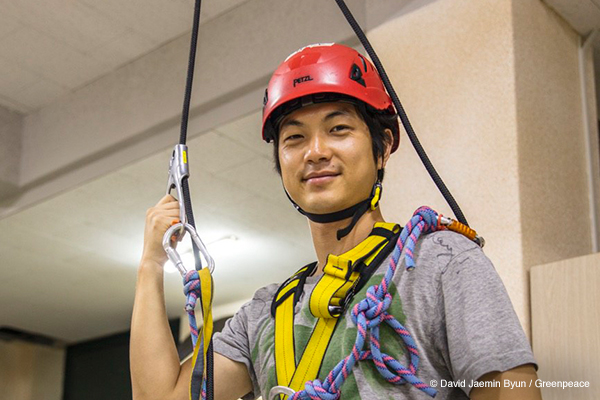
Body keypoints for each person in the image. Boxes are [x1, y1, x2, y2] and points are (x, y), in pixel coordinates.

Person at [130, 43, 541, 400]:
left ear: (383, 148)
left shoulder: (439, 262)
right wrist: (151, 265)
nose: (315, 151)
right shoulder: (267, 314)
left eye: (338, 129)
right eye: (294, 138)